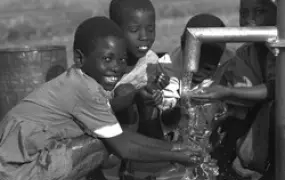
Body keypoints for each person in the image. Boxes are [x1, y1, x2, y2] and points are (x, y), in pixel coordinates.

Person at [0, 16, 202, 180]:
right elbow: (123, 146)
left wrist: (176, 147)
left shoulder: (80, 81)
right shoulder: (83, 89)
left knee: (103, 139)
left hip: (18, 160)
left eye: (122, 59)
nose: (116, 67)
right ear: (80, 58)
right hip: (18, 169)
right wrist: (177, 153)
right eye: (107, 58)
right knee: (104, 142)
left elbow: (115, 123)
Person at [191, 0, 276, 179]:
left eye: (259, 12)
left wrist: (229, 92)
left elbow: (276, 89)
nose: (249, 20)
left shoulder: (279, 51)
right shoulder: (246, 53)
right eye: (243, 13)